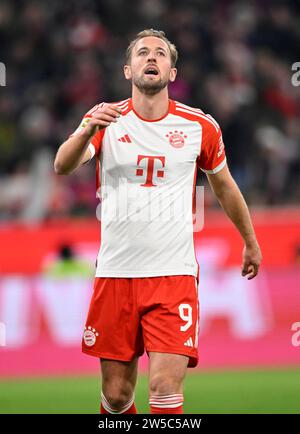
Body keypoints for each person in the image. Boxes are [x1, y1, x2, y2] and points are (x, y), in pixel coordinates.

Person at [54, 29, 262, 415]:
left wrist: (250, 241)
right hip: (116, 274)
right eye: (143, 53)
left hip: (173, 275)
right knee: (116, 396)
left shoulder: (200, 126)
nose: (152, 58)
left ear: (172, 70)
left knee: (165, 389)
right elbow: (62, 165)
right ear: (127, 70)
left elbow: (225, 188)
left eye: (160, 54)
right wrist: (87, 130)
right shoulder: (104, 119)